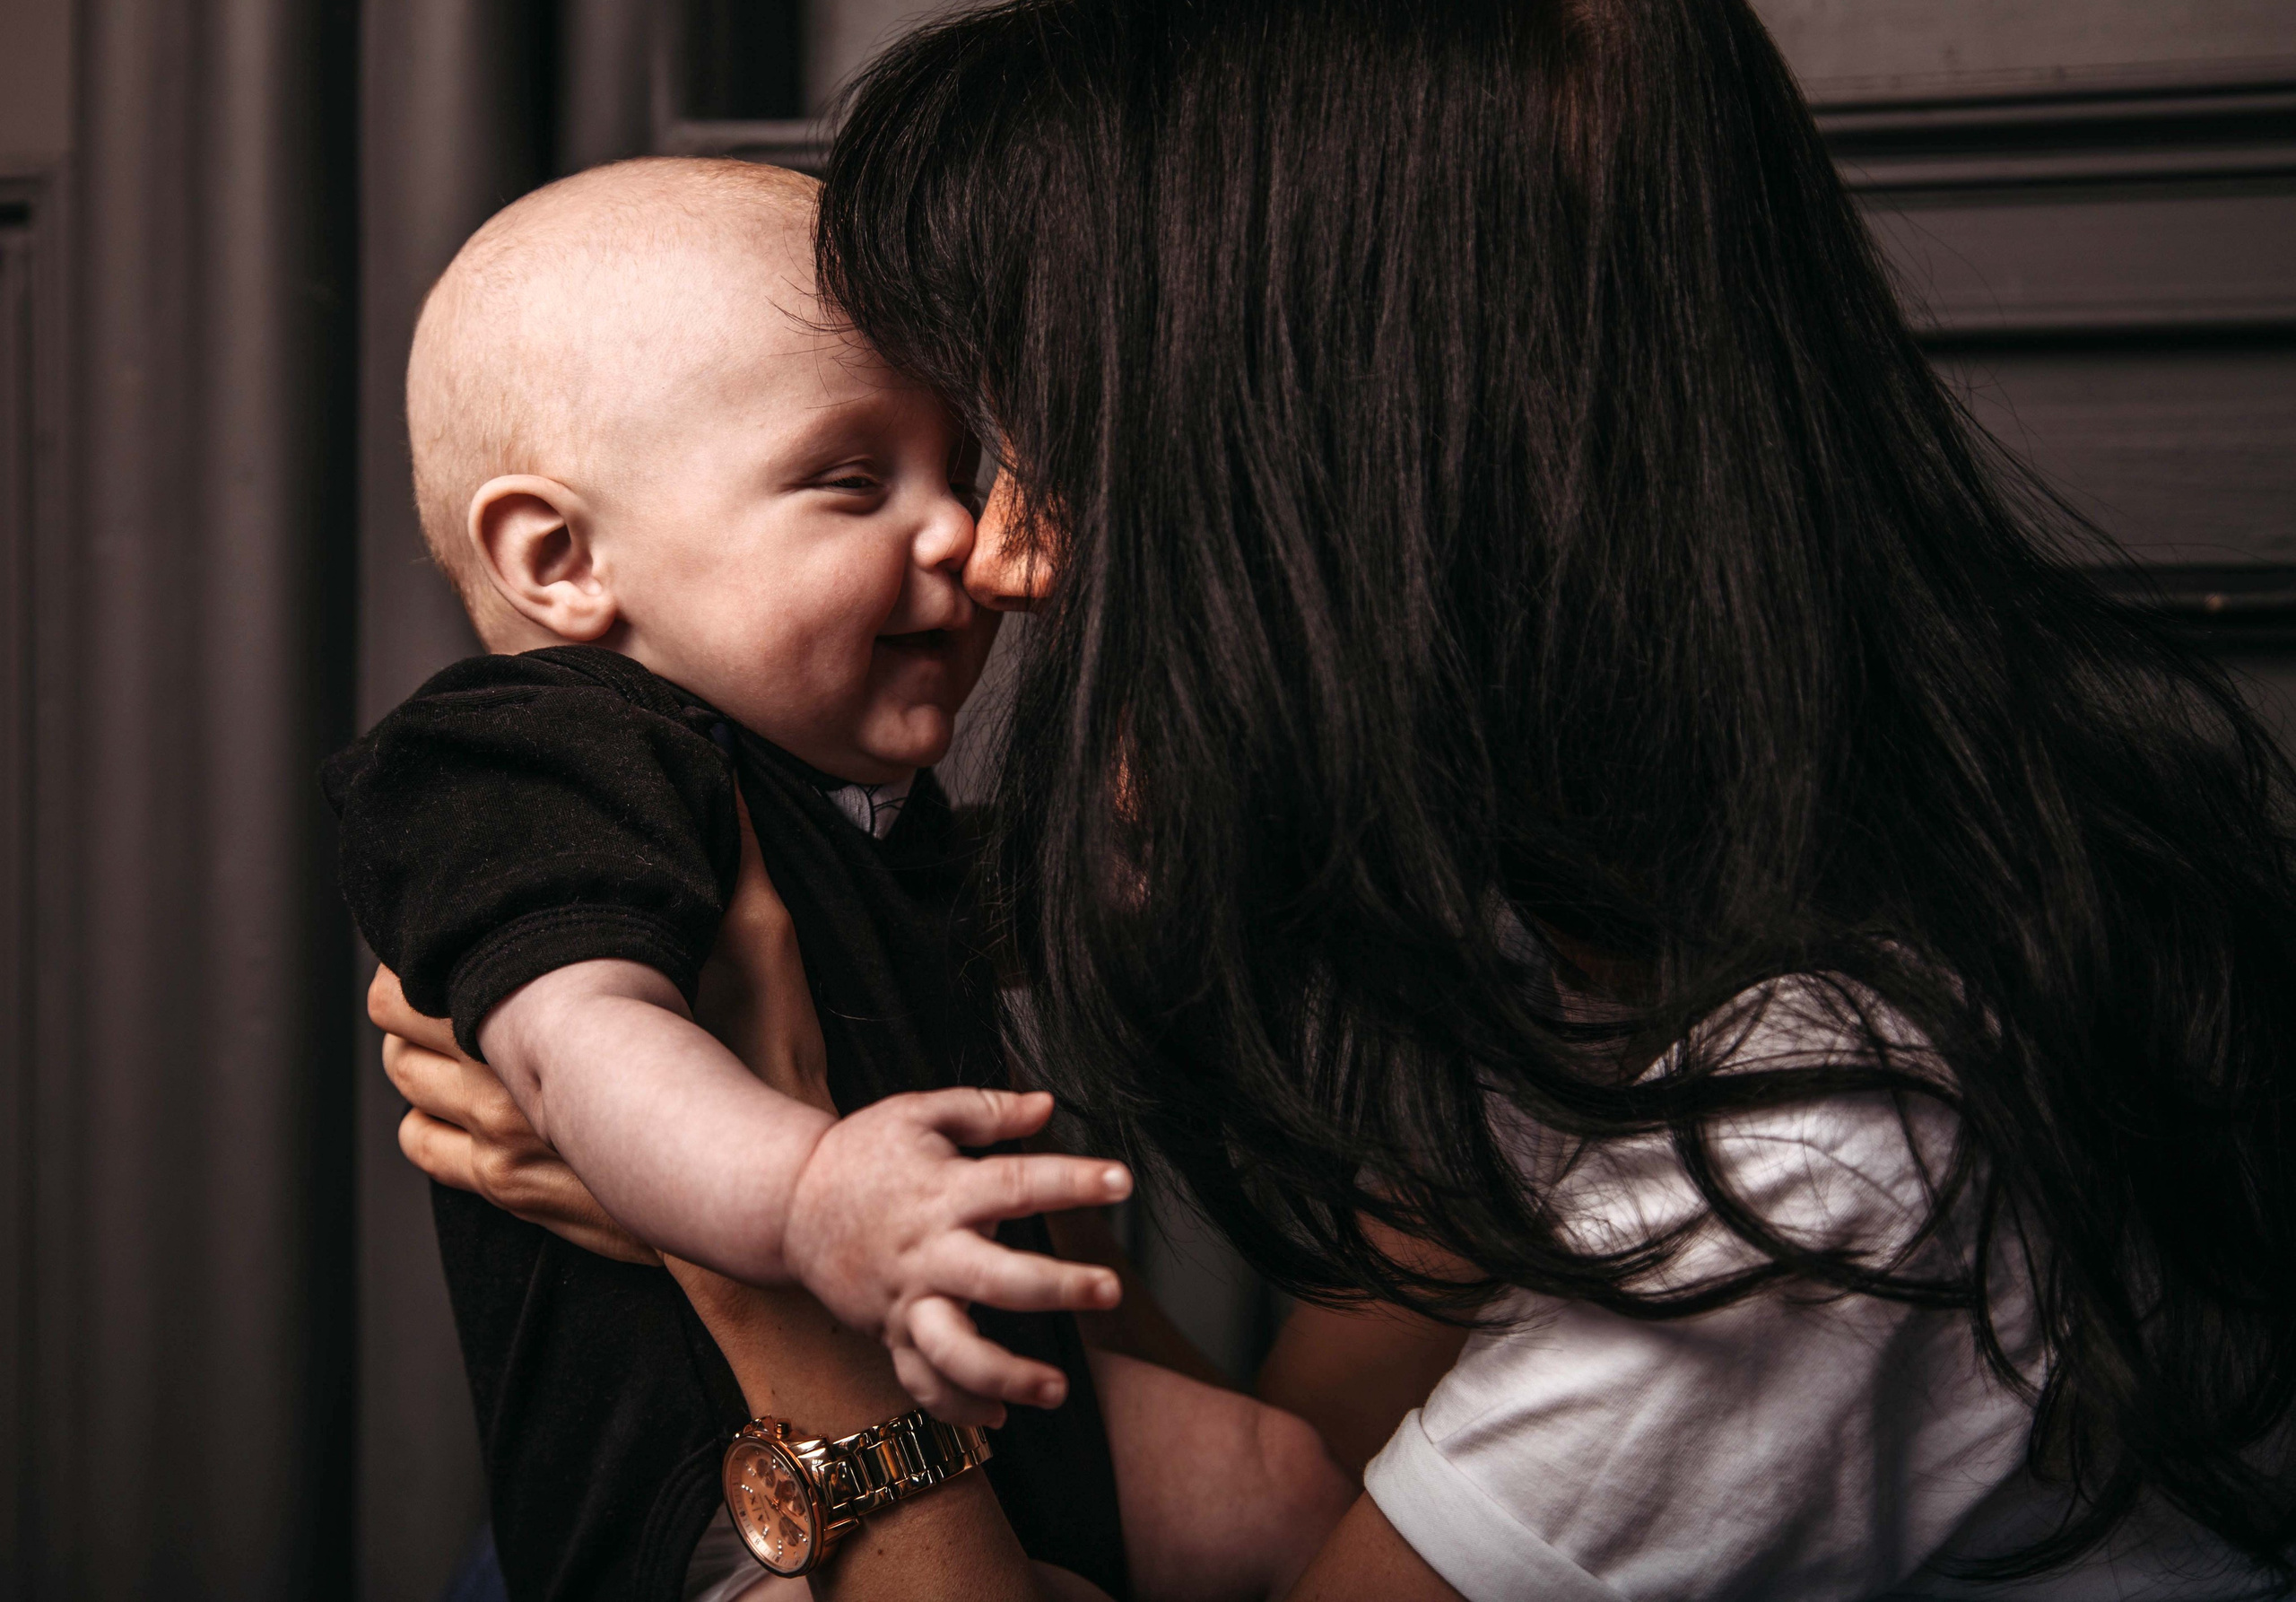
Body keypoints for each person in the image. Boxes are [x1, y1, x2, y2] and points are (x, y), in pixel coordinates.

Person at [384, 0, 2296, 1597]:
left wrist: (765, 1255)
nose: (1002, 555)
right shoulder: (1545, 950)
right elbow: (1303, 1478)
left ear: (1361, 481)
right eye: (859, 477)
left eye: (1049, 450)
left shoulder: (1825, 1147)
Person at [336, 156, 1350, 1600]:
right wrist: (808, 1191)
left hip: (984, 1379)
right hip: (714, 1480)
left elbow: (1028, 909)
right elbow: (577, 1042)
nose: (960, 536)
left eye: (958, 474)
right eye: (854, 482)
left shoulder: (836, 794)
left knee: (1284, 1483)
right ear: (561, 558)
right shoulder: (533, 757)